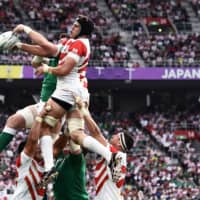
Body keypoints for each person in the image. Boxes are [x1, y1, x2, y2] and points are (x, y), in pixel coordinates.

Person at [73, 97, 134, 200]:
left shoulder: (117, 155)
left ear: (119, 143)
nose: (113, 135)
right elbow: (96, 134)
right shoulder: (115, 154)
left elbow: (96, 133)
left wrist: (84, 111)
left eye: (116, 136)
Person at [10, 105, 49, 200]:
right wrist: (39, 117)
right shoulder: (24, 163)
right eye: (37, 148)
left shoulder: (42, 165)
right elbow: (32, 140)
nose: (40, 149)